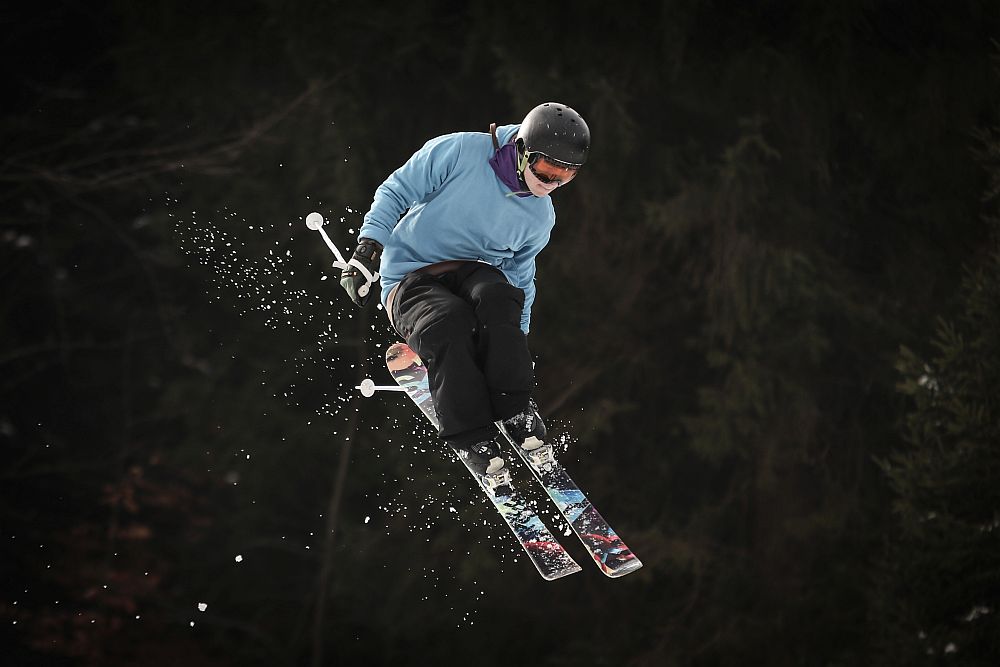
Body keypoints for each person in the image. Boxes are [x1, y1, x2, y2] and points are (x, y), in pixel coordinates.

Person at [340, 102, 590, 494]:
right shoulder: (460, 152)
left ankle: (517, 413)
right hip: (410, 274)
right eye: (546, 171)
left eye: (566, 176)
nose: (551, 184)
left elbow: (521, 279)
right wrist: (367, 250)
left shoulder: (539, 217)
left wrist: (513, 342)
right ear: (523, 151)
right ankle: (472, 435)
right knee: (448, 322)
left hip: (474, 272)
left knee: (499, 298)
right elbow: (397, 189)